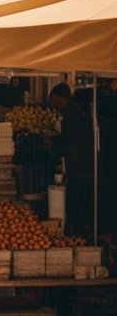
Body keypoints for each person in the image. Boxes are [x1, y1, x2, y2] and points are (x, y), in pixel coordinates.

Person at [49, 82, 93, 237]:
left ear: (61, 98)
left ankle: (75, 233)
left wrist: (70, 172)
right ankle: (78, 231)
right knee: (80, 201)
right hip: (83, 166)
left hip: (81, 168)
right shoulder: (75, 113)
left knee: (76, 201)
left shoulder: (72, 116)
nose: (53, 104)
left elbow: (73, 146)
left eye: (54, 99)